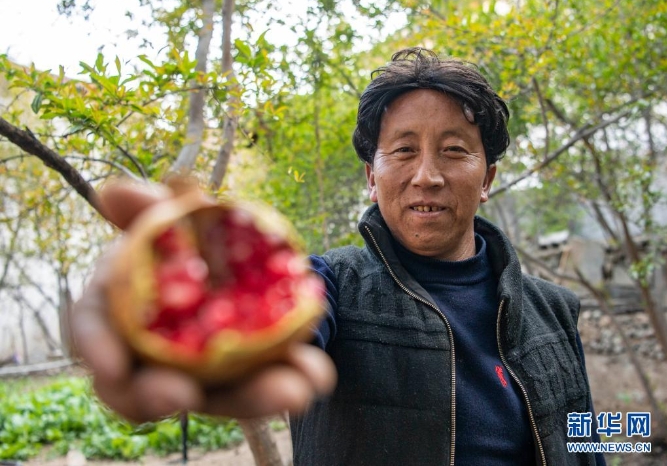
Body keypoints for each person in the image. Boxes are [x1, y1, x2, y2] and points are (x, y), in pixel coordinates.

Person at [73, 48, 604, 465]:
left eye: (454, 150)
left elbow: (583, 439)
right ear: (372, 177)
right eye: (403, 150)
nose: (427, 175)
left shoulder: (554, 309)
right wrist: (173, 326)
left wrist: (623, 436)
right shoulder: (329, 286)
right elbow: (290, 328)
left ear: (486, 178)